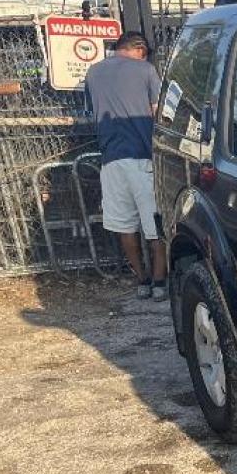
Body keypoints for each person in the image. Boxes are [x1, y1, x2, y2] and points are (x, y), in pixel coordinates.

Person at [84, 31, 164, 300]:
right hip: (142, 158)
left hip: (111, 161)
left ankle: (141, 280)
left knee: (125, 227)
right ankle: (161, 282)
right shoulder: (146, 70)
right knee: (155, 224)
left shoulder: (93, 73)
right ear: (139, 49)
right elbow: (158, 113)